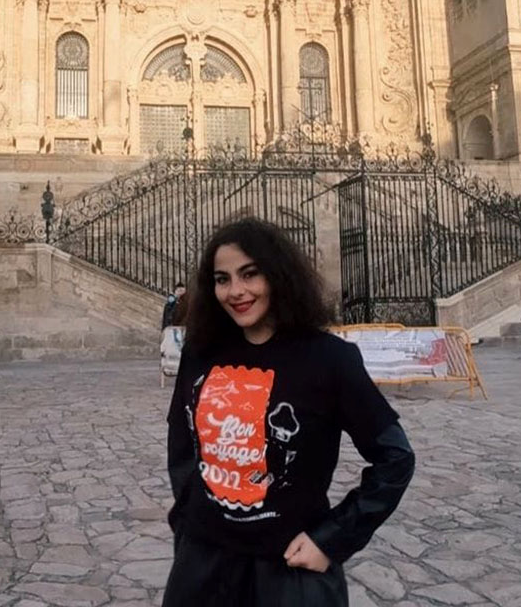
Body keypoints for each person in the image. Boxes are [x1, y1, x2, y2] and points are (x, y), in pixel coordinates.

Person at [163, 218, 415, 606]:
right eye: (222, 279)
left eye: (250, 274)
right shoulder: (201, 351)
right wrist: (188, 520)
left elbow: (395, 458)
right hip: (203, 568)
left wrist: (331, 539)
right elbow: (182, 444)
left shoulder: (329, 359)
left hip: (289, 570)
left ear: (278, 275)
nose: (236, 291)